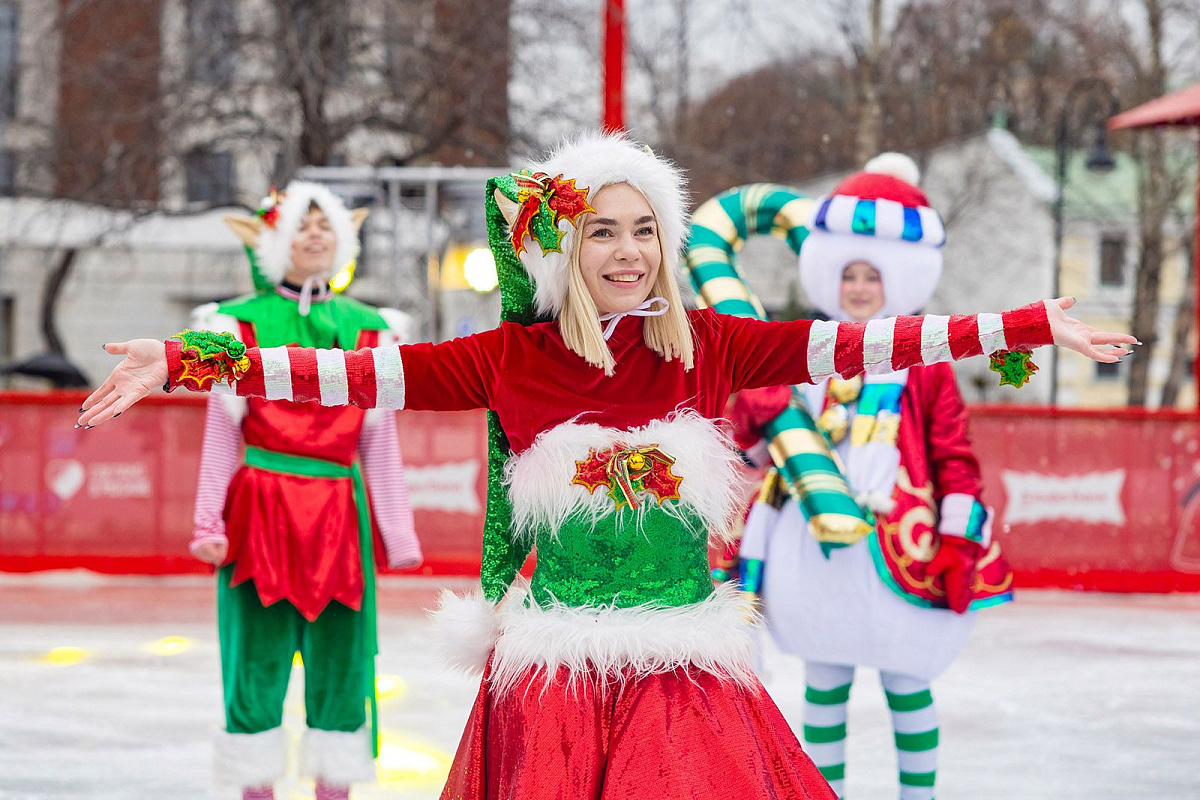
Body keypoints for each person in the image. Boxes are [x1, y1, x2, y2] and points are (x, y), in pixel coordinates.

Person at [77, 133, 1132, 800]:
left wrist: (1028, 324)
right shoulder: (511, 358)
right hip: (551, 687)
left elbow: (873, 344)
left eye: (645, 231)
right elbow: (343, 372)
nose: (628, 252)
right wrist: (183, 358)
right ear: (563, 250)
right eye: (602, 232)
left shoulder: (711, 344)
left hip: (687, 677)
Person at [729, 154, 1016, 800]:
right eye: (849, 274)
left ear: (901, 277)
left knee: (908, 681)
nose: (858, 288)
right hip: (813, 542)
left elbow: (955, 456)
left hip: (902, 547)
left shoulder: (926, 360)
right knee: (824, 682)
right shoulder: (801, 349)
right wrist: (754, 413)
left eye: (872, 275)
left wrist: (957, 540)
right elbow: (762, 455)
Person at [188, 182, 421, 800]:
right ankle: (255, 788)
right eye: (302, 225)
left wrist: (397, 532)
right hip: (260, 508)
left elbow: (379, 440)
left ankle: (334, 789)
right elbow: (222, 430)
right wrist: (208, 522)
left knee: (341, 659)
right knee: (254, 658)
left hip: (338, 513)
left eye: (325, 225)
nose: (315, 235)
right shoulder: (236, 323)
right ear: (274, 240)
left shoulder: (372, 330)